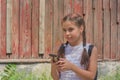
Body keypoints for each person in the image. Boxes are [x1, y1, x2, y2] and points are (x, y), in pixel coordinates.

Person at [51, 13, 98, 80]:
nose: (67, 33)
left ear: (81, 29)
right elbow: (56, 78)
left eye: (70, 29)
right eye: (64, 30)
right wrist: (53, 66)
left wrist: (71, 67)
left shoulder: (90, 49)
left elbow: (91, 77)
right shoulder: (61, 48)